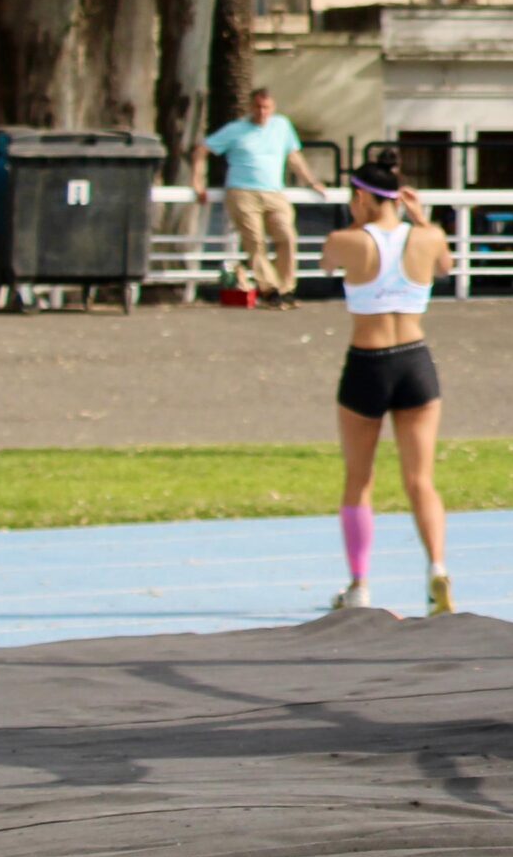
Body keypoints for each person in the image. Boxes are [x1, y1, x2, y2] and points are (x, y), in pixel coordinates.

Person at [321, 149, 457, 617]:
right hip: (416, 362)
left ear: (360, 196)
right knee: (421, 479)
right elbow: (446, 266)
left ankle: (359, 583)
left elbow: (325, 264)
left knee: (359, 478)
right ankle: (437, 568)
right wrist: (419, 221)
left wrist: (361, 225)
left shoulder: (346, 239)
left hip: (368, 362)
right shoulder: (429, 236)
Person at [193, 89, 328, 308]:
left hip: (274, 192)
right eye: (258, 107)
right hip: (243, 192)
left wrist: (312, 182)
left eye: (266, 107)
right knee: (255, 242)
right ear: (250, 107)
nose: (262, 112)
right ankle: (270, 289)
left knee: (287, 237)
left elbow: (294, 157)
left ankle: (286, 288)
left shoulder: (282, 126)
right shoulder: (236, 130)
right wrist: (198, 182)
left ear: (273, 108)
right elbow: (202, 149)